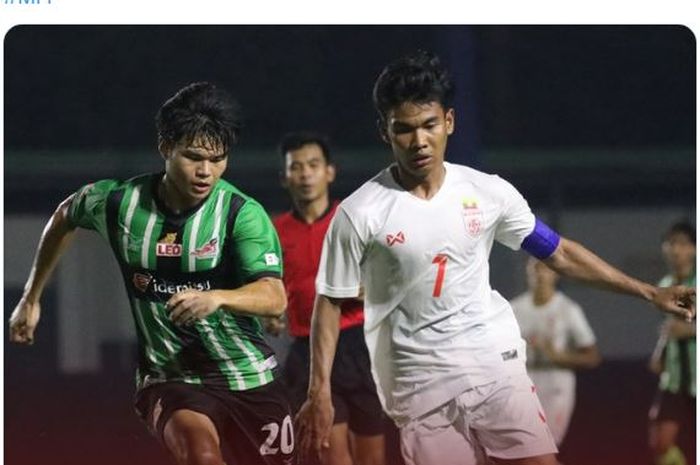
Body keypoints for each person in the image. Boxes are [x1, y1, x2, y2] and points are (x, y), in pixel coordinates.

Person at [294, 51, 696, 465]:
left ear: (449, 121)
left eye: (430, 125)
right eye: (405, 129)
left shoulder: (488, 192)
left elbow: (557, 252)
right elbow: (330, 300)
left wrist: (648, 292)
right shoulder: (360, 213)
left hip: (491, 363)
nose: (419, 141)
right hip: (415, 383)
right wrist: (318, 391)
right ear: (385, 132)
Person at [9, 82, 296, 465]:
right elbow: (65, 215)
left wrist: (217, 297)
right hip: (172, 378)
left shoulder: (241, 214)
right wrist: (31, 297)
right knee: (202, 456)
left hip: (249, 375)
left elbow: (274, 296)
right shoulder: (118, 204)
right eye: (193, 157)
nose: (206, 172)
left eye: (218, 159)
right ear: (165, 148)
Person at [270, 131, 386, 465]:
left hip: (359, 346)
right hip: (308, 351)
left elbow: (381, 280)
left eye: (313, 165)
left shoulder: (352, 221)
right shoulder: (274, 232)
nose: (305, 174)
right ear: (284, 177)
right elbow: (271, 288)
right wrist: (271, 314)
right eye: (296, 167)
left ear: (329, 172)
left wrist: (363, 289)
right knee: (331, 456)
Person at [511, 257, 601, 448]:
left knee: (546, 445)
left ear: (555, 274)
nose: (539, 275)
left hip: (556, 382)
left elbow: (592, 357)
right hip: (523, 380)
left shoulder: (568, 309)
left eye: (545, 269)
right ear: (527, 273)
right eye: (534, 269)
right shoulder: (514, 309)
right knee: (521, 447)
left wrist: (559, 356)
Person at [648, 221, 696, 465]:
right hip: (675, 377)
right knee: (661, 442)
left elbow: (681, 328)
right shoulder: (666, 284)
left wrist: (689, 330)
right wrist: (660, 354)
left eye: (683, 244)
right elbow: (670, 329)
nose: (676, 249)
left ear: (695, 249)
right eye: (671, 243)